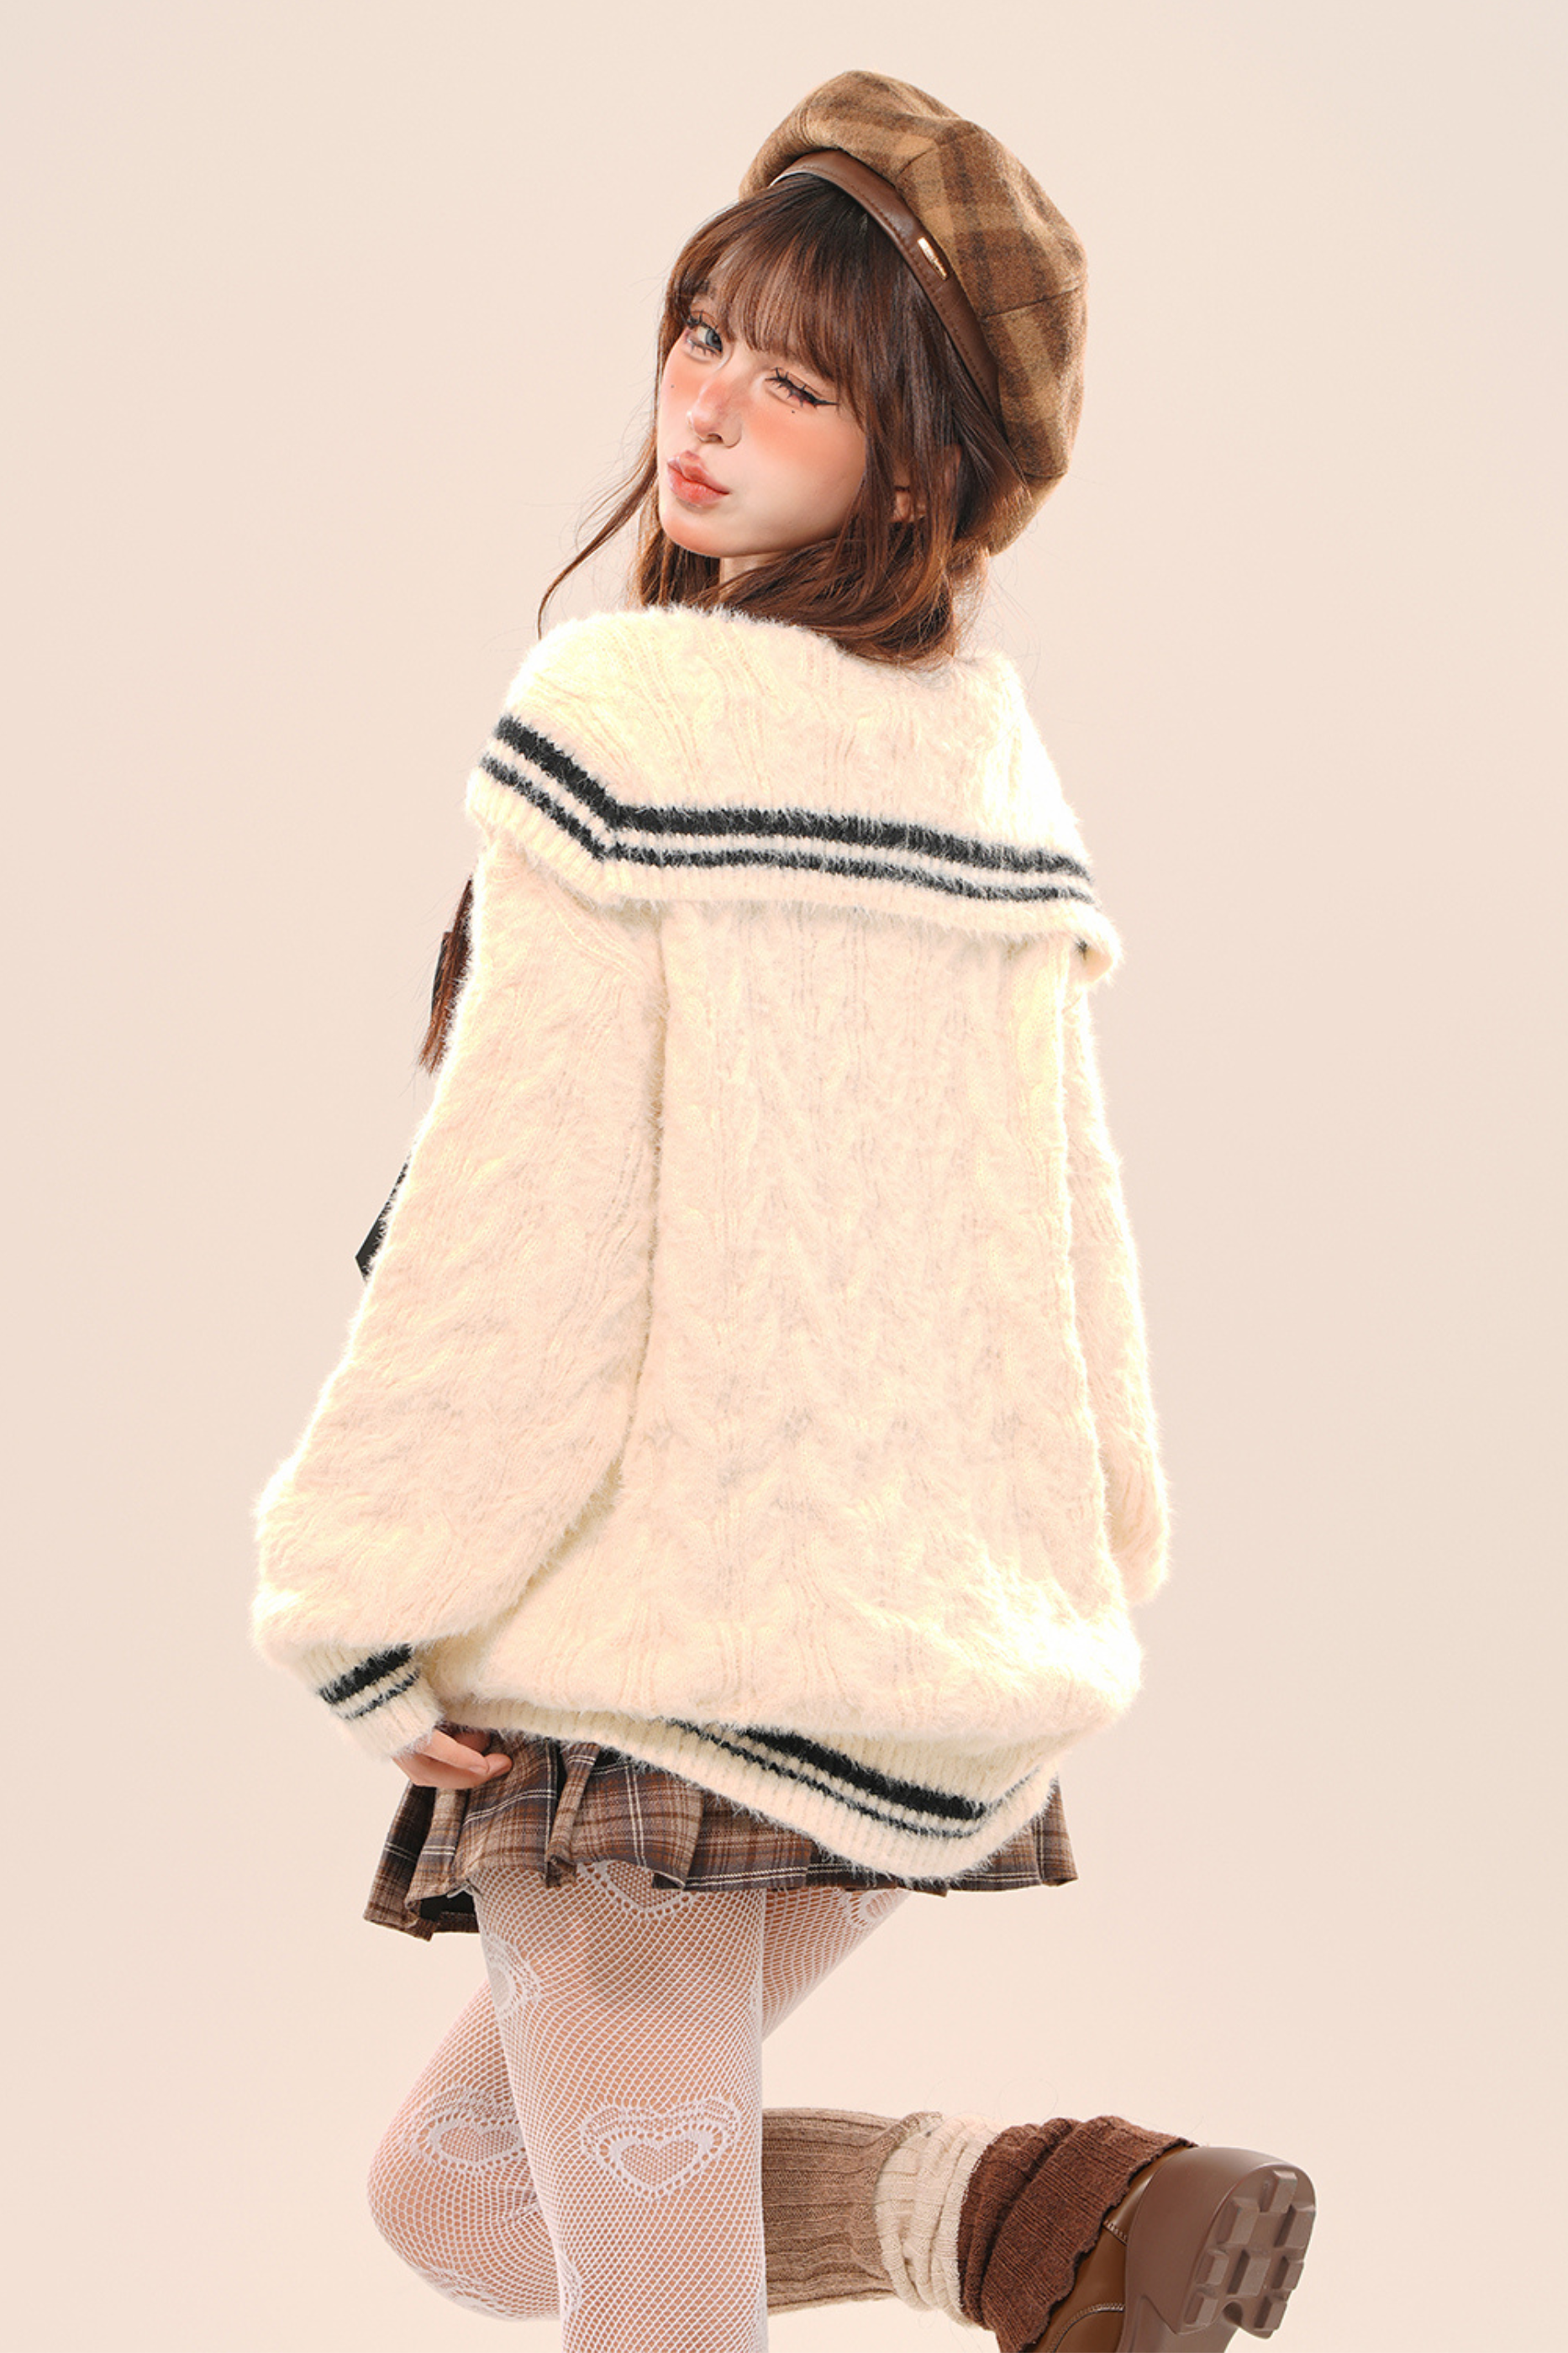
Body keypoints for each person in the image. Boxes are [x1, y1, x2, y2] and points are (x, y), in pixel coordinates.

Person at [251, 69, 1315, 2353]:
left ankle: (1036, 2226)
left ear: (914, 461)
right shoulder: (989, 759)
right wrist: (1096, 1557)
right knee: (455, 2191)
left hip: (649, 1664)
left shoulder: (618, 709)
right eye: (706, 332)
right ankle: (1033, 2221)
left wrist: (362, 1596)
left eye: (798, 382)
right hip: (921, 1660)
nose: (709, 406)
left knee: (653, 2302)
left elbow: (525, 1222)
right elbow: (1066, 1222)